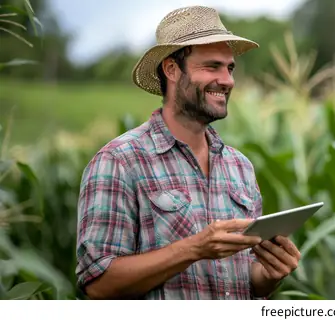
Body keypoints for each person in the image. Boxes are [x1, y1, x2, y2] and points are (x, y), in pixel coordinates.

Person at [75, 5, 301, 300]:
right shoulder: (119, 161)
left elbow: (243, 280)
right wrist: (194, 248)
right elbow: (98, 284)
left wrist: (268, 275)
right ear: (171, 69)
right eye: (212, 66)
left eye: (229, 68)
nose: (227, 80)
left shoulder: (240, 167)